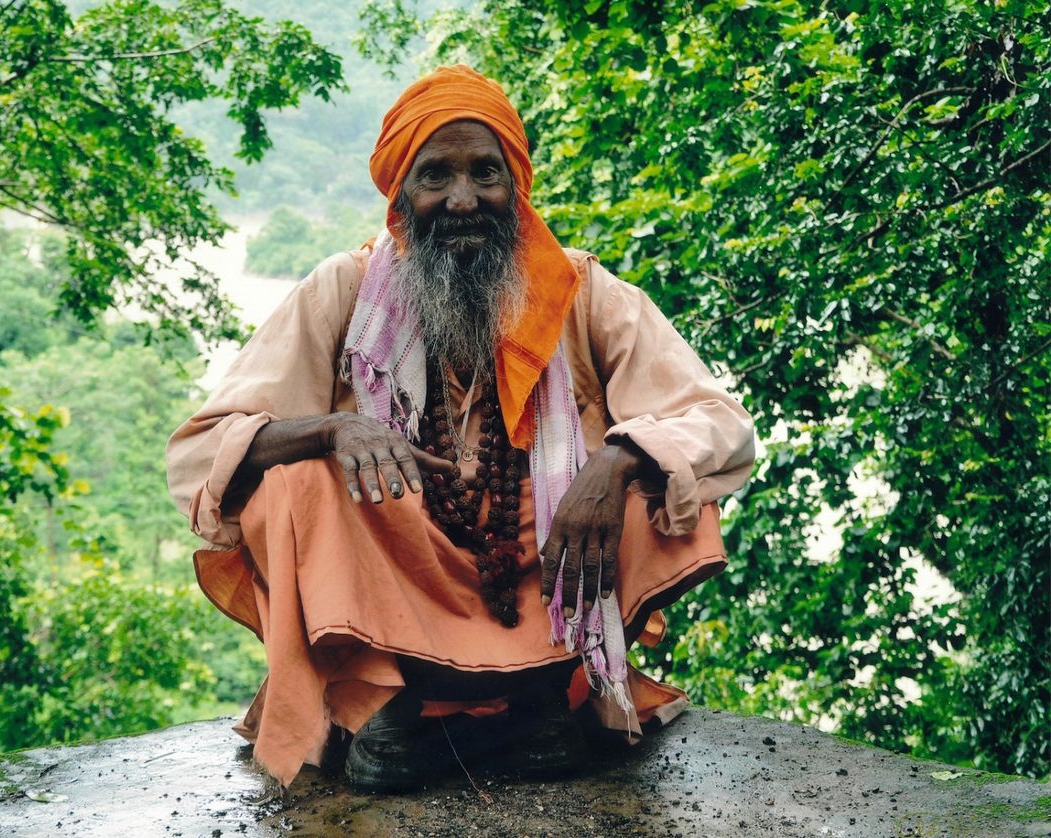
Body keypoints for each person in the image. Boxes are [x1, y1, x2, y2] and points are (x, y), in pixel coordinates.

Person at [166, 65, 755, 792]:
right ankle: (385, 705)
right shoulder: (343, 290)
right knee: (291, 481)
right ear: (400, 194)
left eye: (485, 172)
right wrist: (330, 430)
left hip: (546, 575)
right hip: (402, 573)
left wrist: (616, 462)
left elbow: (719, 425)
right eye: (435, 175)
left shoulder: (580, 292)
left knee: (659, 471)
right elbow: (201, 455)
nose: (463, 199)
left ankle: (543, 701)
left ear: (517, 187)